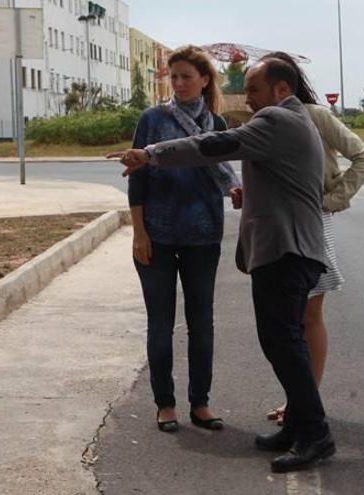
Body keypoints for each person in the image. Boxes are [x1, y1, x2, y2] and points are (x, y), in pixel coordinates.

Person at [108, 58, 335, 473]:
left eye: (252, 89)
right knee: (280, 343)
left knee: (284, 344)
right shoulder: (292, 120)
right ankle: (300, 425)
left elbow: (210, 145)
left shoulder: (277, 120)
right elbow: (282, 180)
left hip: (285, 251)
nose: (246, 98)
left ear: (281, 90)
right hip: (287, 248)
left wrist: (151, 153)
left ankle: (315, 433)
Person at [126, 45, 240, 434]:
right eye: (173, 77)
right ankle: (165, 404)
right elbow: (137, 178)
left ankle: (201, 403)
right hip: (156, 235)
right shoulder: (152, 119)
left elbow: (226, 174)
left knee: (201, 323)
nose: (178, 84)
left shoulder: (218, 124)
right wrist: (139, 232)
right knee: (160, 324)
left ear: (205, 80)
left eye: (186, 76)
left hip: (204, 235)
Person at [260, 52, 364, 426]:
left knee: (309, 315)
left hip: (313, 223)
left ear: (283, 85)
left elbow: (363, 156)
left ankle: (306, 403)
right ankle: (300, 401)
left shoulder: (314, 115)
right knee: (285, 322)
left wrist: (333, 200)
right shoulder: (262, 121)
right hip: (278, 228)